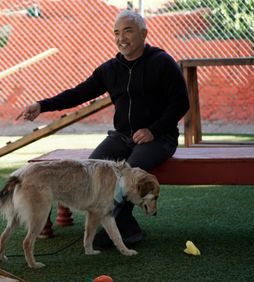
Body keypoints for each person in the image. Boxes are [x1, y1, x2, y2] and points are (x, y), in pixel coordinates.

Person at [17, 10, 189, 249]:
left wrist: (153, 130)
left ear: (144, 33)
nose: (121, 38)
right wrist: (42, 105)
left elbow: (181, 103)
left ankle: (120, 230)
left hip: (160, 138)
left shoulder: (162, 62)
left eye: (128, 30)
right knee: (91, 168)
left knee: (128, 175)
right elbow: (78, 93)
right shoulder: (110, 69)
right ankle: (120, 227)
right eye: (116, 33)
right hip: (122, 137)